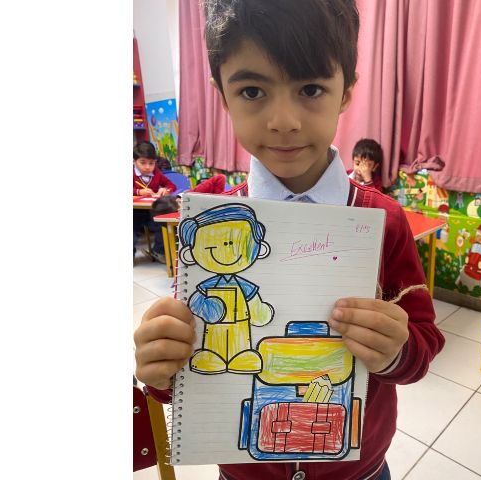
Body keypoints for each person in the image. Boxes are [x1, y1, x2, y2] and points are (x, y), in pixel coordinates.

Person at [133, 1, 445, 479]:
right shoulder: (213, 228)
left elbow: (424, 342)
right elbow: (184, 367)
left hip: (357, 471)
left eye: (311, 89)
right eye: (252, 90)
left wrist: (396, 351)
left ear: (347, 91)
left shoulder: (384, 220)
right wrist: (161, 365)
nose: (283, 120)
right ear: (222, 96)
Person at [133, 141, 177, 263]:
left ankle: (158, 251)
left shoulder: (156, 173)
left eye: (151, 163)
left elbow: (171, 185)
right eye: (143, 162)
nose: (148, 167)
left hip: (152, 210)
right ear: (134, 161)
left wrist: (165, 190)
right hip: (134, 212)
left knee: (163, 226)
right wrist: (138, 192)